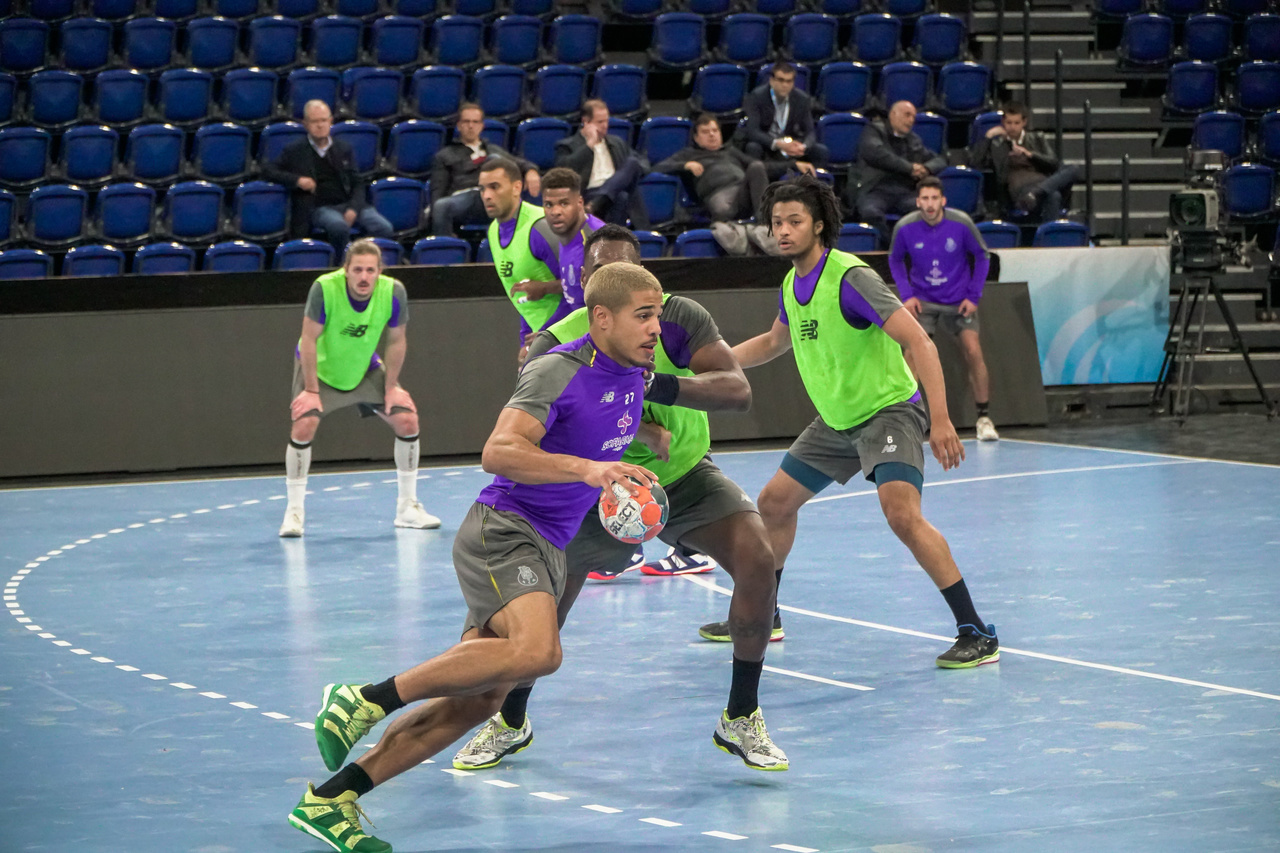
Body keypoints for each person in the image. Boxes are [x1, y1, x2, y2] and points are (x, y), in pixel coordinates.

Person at [287, 262, 663, 853]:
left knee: (479, 700)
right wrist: (589, 469)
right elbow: (499, 450)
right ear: (601, 318)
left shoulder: (635, 375)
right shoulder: (557, 370)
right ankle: (364, 699)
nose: (656, 327)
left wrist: (635, 464)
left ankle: (330, 801)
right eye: (643, 315)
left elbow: (593, 432)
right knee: (540, 652)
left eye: (657, 315)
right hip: (505, 530)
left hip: (549, 546)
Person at [451, 224, 786, 775]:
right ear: (589, 290)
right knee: (544, 614)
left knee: (757, 558)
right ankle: (510, 720)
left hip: (682, 475)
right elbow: (523, 438)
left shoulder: (676, 319)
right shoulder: (557, 346)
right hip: (592, 493)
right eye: (598, 272)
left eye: (625, 271)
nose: (612, 280)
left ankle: (741, 717)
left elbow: (737, 391)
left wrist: (651, 385)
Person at [699, 175, 999, 670]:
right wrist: (712, 365)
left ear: (818, 225)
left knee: (902, 515)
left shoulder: (850, 278)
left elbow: (918, 341)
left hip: (888, 411)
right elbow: (774, 342)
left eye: (794, 221)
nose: (783, 231)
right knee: (774, 503)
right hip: (837, 421)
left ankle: (976, 631)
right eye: (777, 223)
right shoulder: (791, 285)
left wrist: (942, 419)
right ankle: (765, 614)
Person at [280, 238, 439, 538]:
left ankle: (407, 508)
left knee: (407, 420)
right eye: (357, 270)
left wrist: (391, 387)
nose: (364, 277)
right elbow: (308, 339)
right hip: (319, 369)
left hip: (364, 367)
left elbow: (396, 340)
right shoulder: (324, 288)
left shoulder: (393, 292)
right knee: (304, 425)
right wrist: (311, 390)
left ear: (379, 271)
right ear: (346, 270)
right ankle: (294, 513)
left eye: (370, 270)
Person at [889, 177, 999, 442]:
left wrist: (973, 295)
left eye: (934, 198)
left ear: (943, 201)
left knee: (973, 350)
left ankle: (984, 419)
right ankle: (907, 421)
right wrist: (907, 295)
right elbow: (894, 259)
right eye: (925, 199)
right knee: (912, 354)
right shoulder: (904, 227)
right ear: (918, 202)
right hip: (923, 301)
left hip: (958, 300)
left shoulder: (961, 223)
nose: (930, 204)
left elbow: (983, 256)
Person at [263, 100, 394, 259]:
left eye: (324, 120)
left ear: (330, 121)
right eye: (315, 121)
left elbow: (358, 182)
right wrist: (297, 180)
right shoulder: (295, 150)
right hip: (320, 207)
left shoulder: (343, 148)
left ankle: (368, 262)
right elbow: (268, 170)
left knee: (384, 228)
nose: (320, 125)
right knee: (339, 227)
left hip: (350, 204)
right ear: (305, 124)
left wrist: (353, 209)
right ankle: (342, 265)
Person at [479, 157, 563, 362]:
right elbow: (521, 296)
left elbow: (581, 286)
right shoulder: (493, 231)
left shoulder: (541, 227)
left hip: (568, 339)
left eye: (494, 187)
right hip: (541, 340)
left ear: (517, 187)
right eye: (482, 189)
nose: (487, 195)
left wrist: (548, 335)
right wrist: (525, 342)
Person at [428, 102, 541, 237]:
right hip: (466, 199)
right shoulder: (445, 155)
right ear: (459, 125)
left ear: (482, 126)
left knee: (496, 159)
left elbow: (520, 164)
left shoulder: (492, 149)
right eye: (466, 122)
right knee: (441, 206)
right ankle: (445, 247)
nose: (471, 126)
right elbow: (438, 191)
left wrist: (531, 171)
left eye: (475, 122)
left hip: (494, 195)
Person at [847, 100, 948, 243]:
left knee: (928, 209)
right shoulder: (874, 131)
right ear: (893, 114)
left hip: (904, 191)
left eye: (913, 117)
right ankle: (888, 248)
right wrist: (909, 168)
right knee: (870, 213)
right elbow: (877, 154)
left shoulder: (913, 140)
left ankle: (915, 248)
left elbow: (940, 160)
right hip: (875, 189)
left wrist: (926, 168)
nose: (911, 120)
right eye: (907, 115)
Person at [969, 100, 1080, 221]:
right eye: (1009, 123)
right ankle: (1048, 230)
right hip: (1020, 189)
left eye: (1017, 123)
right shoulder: (997, 145)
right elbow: (975, 163)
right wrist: (988, 136)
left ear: (1024, 122)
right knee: (1054, 195)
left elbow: (1054, 164)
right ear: (1003, 122)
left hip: (1042, 183)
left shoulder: (1037, 138)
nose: (1012, 127)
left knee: (1073, 168)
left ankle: (1036, 192)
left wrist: (1030, 154)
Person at [654, 113, 769, 222]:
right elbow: (658, 167)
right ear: (696, 138)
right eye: (705, 132)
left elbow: (763, 167)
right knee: (721, 209)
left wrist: (782, 163)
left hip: (743, 190)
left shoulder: (730, 151)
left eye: (715, 130)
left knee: (757, 166)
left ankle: (764, 223)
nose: (712, 134)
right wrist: (685, 165)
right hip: (718, 193)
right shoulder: (688, 154)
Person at [553, 99, 649, 228]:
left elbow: (642, 162)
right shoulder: (567, 145)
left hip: (612, 193)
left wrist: (629, 175)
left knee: (632, 164)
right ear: (586, 122)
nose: (605, 126)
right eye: (600, 122)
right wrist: (589, 146)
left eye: (606, 121)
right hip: (587, 195)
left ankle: (598, 203)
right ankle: (601, 208)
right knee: (621, 196)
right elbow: (564, 170)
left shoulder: (617, 143)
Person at [741, 61, 829, 180]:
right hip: (768, 145)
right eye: (781, 80)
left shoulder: (802, 99)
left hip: (791, 145)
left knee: (820, 151)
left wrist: (803, 146)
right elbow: (753, 131)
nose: (785, 85)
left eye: (789, 81)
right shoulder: (757, 97)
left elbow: (810, 132)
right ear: (772, 80)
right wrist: (778, 144)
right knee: (753, 147)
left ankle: (814, 186)